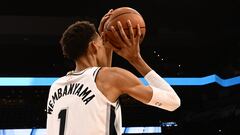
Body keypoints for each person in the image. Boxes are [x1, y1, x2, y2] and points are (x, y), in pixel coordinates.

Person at [46, 10, 181, 135]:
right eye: (101, 43)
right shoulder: (110, 78)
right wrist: (136, 59)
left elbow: (101, 86)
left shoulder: (56, 86)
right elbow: (173, 102)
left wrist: (107, 45)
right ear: (93, 46)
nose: (103, 45)